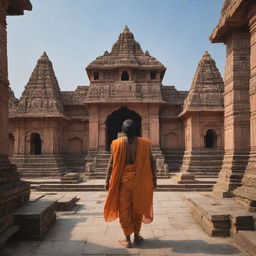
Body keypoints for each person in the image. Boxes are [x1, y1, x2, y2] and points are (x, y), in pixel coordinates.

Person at [104, 119, 157, 248]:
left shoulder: (116, 144)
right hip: (141, 181)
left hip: (123, 182)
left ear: (123, 131)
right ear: (135, 130)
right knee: (138, 207)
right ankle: (137, 236)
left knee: (124, 209)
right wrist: (154, 179)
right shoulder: (145, 144)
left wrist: (107, 180)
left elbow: (111, 163)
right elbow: (152, 162)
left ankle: (127, 239)